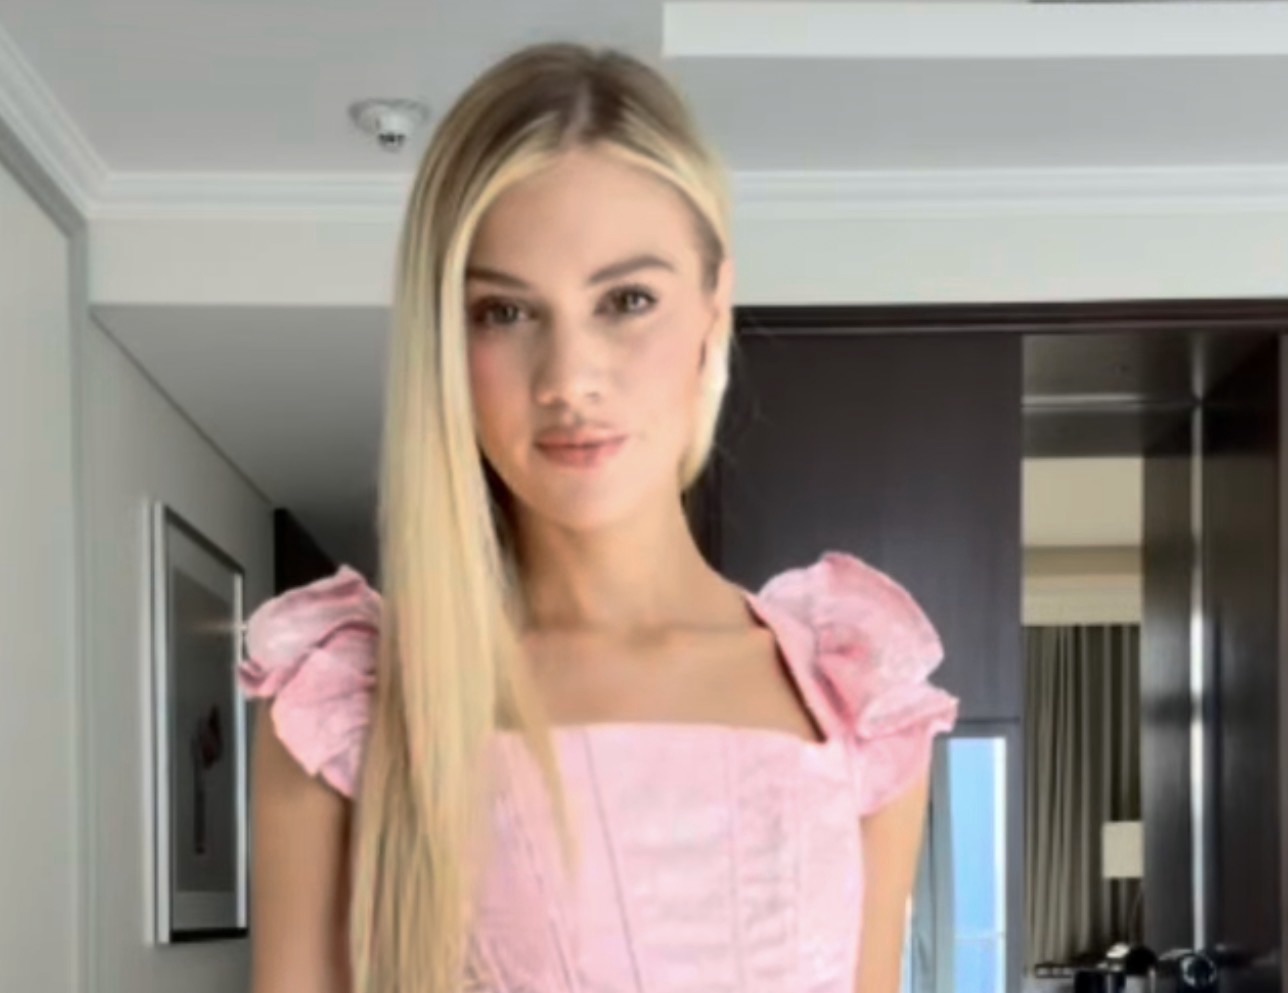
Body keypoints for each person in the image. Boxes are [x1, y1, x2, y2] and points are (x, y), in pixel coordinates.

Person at [238, 41, 959, 993]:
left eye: (626, 300)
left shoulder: (853, 692)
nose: (569, 379)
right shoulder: (350, 706)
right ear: (444, 341)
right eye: (504, 312)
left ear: (713, 310)